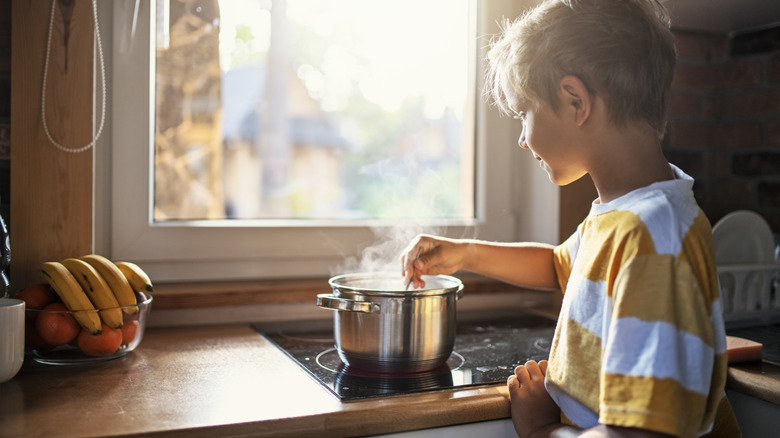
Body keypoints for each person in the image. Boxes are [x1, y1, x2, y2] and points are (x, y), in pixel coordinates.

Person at [400, 1, 741, 437]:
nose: (523, 139)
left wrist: (543, 428)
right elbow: (558, 266)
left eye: (524, 112)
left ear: (575, 101)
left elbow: (640, 434)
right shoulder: (623, 215)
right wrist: (465, 252)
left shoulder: (654, 237)